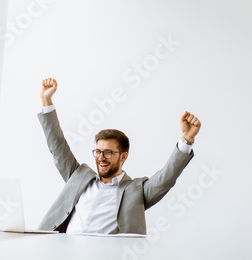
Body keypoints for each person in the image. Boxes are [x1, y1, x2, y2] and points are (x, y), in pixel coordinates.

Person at [37, 77, 201, 234]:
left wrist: (186, 140)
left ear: (123, 157)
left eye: (108, 152)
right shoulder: (78, 177)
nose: (101, 157)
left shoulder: (135, 191)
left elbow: (166, 178)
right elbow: (57, 147)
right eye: (98, 152)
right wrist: (47, 101)